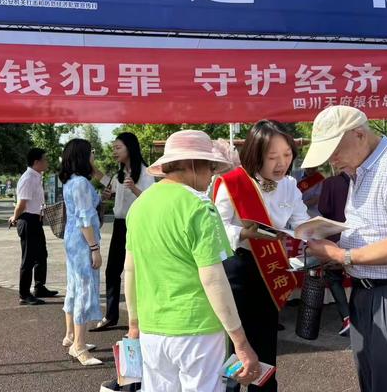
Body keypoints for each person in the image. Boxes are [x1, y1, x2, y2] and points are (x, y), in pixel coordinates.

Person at [119, 130, 259, 392]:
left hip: (152, 329)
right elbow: (213, 278)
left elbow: (130, 269)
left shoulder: (140, 205)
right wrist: (240, 341)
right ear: (195, 165)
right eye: (210, 168)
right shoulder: (200, 207)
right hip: (198, 329)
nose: (211, 176)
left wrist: (134, 325)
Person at [303, 105, 387, 392]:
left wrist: (343, 255)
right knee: (371, 379)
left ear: (359, 134)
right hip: (366, 291)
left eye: (335, 150)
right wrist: (340, 252)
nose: (333, 160)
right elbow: (372, 229)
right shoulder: (360, 170)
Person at [214, 120, 310, 392]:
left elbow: (300, 221)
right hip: (238, 269)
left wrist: (312, 231)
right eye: (273, 157)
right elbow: (217, 227)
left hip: (271, 268)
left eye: (287, 155)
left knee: (266, 342)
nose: (281, 163)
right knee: (238, 344)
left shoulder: (290, 184)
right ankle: (231, 388)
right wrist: (245, 234)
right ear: (256, 154)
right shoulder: (232, 183)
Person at [93, 132, 154, 332]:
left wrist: (135, 188)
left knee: (136, 272)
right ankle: (111, 315)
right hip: (120, 225)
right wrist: (108, 195)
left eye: (118, 147)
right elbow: (104, 180)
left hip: (137, 225)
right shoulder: (119, 174)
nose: (114, 152)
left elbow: (152, 201)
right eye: (113, 148)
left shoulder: (146, 173)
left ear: (130, 148)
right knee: (113, 271)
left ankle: (141, 317)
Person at [59, 139, 103, 366]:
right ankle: (79, 346)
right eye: (91, 153)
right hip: (83, 241)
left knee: (74, 288)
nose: (94, 156)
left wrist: (97, 175)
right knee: (84, 290)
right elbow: (86, 219)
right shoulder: (81, 184)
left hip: (72, 240)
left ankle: (71, 336)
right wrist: (95, 248)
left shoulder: (71, 182)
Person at [9, 148, 58, 306]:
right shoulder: (28, 178)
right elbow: (21, 204)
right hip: (28, 220)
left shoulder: (36, 176)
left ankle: (39, 287)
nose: (47, 162)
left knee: (41, 254)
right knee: (28, 259)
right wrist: (14, 218)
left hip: (36, 220)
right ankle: (24, 294)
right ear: (36, 162)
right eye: (45, 159)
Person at [317, 170, 351, 336]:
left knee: (334, 276)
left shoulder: (331, 182)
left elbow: (324, 208)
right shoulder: (359, 180)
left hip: (335, 236)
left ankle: (347, 316)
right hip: (359, 237)